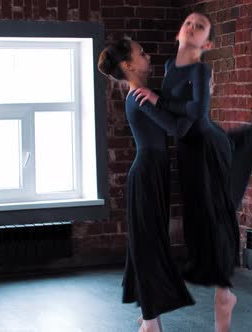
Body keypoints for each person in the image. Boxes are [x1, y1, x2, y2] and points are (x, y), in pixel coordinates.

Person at [133, 12, 252, 332]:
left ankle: (225, 294)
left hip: (207, 147)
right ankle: (157, 307)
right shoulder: (169, 67)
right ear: (178, 35)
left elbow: (193, 115)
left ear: (206, 43)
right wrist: (160, 102)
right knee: (198, 222)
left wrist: (154, 100)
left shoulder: (201, 69)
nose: (192, 27)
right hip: (189, 151)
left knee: (216, 213)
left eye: (200, 27)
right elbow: (175, 115)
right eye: (188, 23)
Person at [97, 37, 195, 332]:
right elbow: (178, 127)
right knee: (148, 245)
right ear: (128, 65)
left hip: (155, 172)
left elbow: (174, 103)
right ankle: (151, 319)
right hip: (146, 175)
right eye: (142, 53)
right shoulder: (139, 96)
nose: (148, 55)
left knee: (147, 242)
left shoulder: (146, 93)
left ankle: (146, 308)